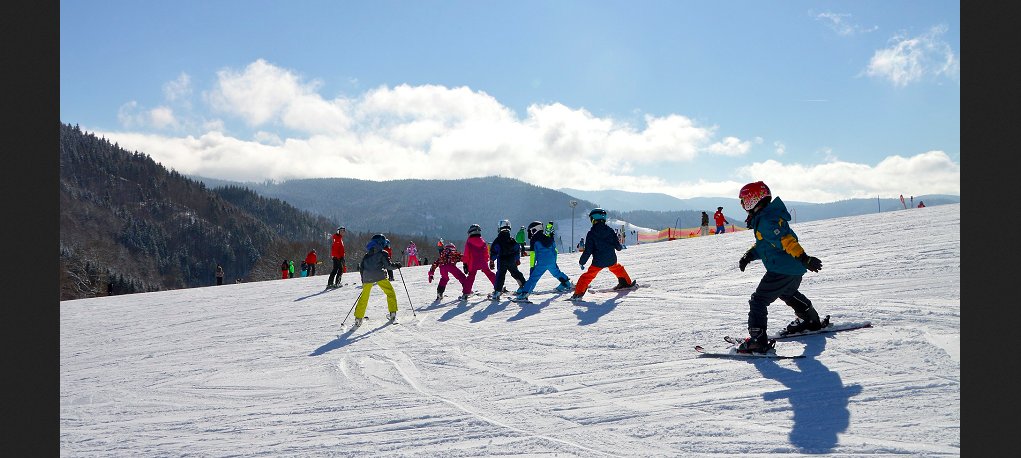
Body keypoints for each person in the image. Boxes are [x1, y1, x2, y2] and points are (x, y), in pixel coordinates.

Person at [735, 181, 825, 354]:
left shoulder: (766, 221)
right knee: (787, 293)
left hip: (782, 269)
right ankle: (810, 320)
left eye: (744, 202)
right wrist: (749, 255)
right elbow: (766, 244)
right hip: (794, 267)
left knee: (758, 301)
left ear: (753, 200)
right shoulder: (767, 217)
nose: (744, 206)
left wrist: (804, 257)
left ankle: (757, 340)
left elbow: (786, 241)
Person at [571, 208, 635, 301]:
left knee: (587, 276)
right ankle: (626, 283)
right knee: (618, 268)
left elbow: (588, 250)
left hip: (598, 262)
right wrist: (619, 247)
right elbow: (618, 246)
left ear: (593, 219)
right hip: (611, 259)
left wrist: (582, 262)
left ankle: (578, 293)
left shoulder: (591, 234)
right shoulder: (610, 231)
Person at [514, 221, 573, 301]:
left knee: (533, 278)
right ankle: (566, 283)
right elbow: (554, 251)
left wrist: (532, 267)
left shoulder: (534, 240)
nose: (530, 233)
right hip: (551, 261)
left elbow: (533, 255)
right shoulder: (547, 238)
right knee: (556, 273)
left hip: (542, 263)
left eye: (531, 230)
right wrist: (554, 262)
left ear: (535, 229)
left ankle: (524, 294)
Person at [353, 234, 403, 326]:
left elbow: (362, 268)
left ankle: (358, 319)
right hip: (379, 275)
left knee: (364, 297)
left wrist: (364, 280)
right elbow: (388, 266)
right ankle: (392, 314)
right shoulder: (383, 253)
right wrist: (397, 265)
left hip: (367, 276)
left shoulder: (367, 255)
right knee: (390, 292)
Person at [488, 219, 526, 300]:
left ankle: (497, 292)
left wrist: (492, 261)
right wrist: (517, 259)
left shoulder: (498, 240)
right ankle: (524, 286)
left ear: (499, 228)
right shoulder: (512, 240)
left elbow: (494, 251)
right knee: (515, 273)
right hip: (511, 260)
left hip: (501, 260)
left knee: (500, 275)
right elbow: (517, 249)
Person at [460, 223, 497, 300]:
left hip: (472, 264)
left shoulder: (469, 243)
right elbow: (486, 254)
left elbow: (466, 255)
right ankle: (498, 287)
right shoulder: (483, 242)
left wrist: (465, 264)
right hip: (483, 263)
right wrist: (486, 262)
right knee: (490, 274)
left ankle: (466, 293)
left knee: (470, 278)